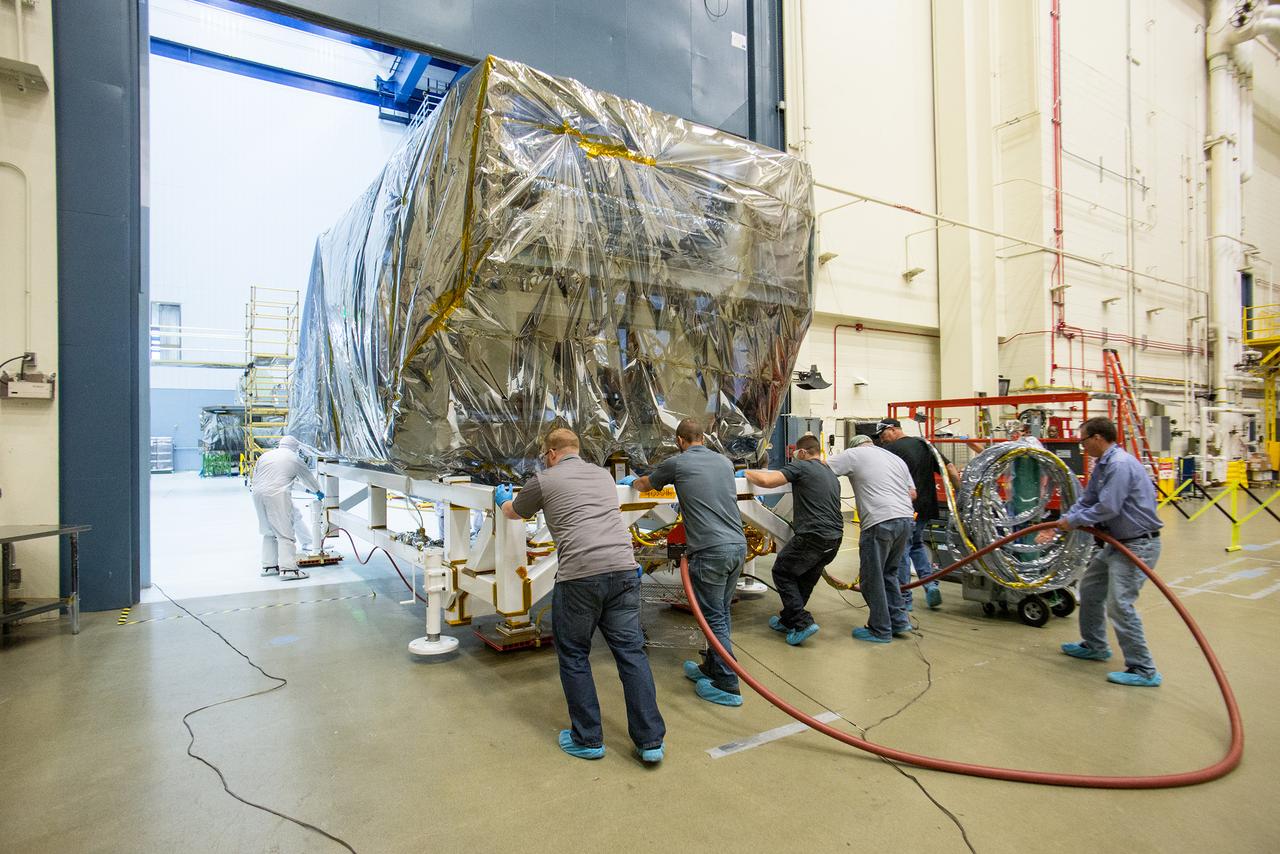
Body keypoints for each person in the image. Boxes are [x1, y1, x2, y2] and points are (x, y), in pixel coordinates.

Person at [497, 428, 666, 762]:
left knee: (574, 654)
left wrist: (502, 498)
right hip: (622, 570)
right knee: (631, 654)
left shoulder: (543, 480)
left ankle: (588, 739)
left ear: (550, 453)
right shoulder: (603, 476)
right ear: (577, 449)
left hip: (580, 577)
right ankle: (651, 742)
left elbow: (514, 513)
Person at [621, 418, 747, 707]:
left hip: (710, 550)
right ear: (702, 437)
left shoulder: (678, 463)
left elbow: (645, 485)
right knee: (720, 613)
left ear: (679, 440)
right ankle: (712, 668)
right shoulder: (725, 463)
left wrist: (631, 481)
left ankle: (728, 684)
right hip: (736, 546)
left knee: (713, 617)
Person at [1051, 416, 1164, 687]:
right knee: (1090, 588)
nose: (1082, 447)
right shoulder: (1102, 464)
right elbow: (1088, 499)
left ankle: (1143, 670)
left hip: (1138, 544)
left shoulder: (1119, 465)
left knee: (1120, 604)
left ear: (1097, 438)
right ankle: (1095, 645)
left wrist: (1074, 521)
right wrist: (1068, 517)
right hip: (1117, 542)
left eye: (1083, 441)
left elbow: (1108, 507)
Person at [742, 434, 843, 646]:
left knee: (782, 572)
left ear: (804, 453)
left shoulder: (802, 467)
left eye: (796, 453)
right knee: (804, 579)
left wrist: (745, 472)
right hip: (834, 539)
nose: (794, 456)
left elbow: (767, 481)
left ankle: (802, 622)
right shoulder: (829, 472)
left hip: (813, 536)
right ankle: (788, 620)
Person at [826, 438, 917, 643]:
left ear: (854, 446)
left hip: (879, 521)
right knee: (889, 574)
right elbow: (912, 493)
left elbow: (820, 470)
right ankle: (899, 620)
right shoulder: (896, 459)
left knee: (871, 578)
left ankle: (880, 629)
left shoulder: (854, 455)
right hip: (905, 519)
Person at [874, 419, 961, 611]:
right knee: (916, 544)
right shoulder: (924, 444)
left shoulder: (891, 450)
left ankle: (904, 597)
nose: (882, 440)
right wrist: (960, 496)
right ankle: (930, 585)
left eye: (883, 435)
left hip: (905, 507)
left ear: (893, 429)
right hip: (926, 506)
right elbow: (951, 470)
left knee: (902, 549)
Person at [251, 436, 324, 581]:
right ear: (295, 448)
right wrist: (317, 491)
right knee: (285, 533)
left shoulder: (266, 456)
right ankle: (288, 570)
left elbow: (276, 478)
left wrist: (308, 491)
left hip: (257, 493)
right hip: (277, 495)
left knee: (268, 531)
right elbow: (308, 478)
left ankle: (269, 567)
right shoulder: (294, 458)